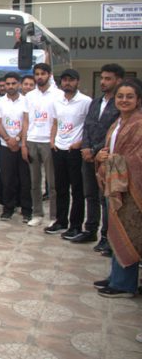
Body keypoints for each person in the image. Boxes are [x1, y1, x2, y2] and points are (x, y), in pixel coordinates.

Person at [94, 80, 142, 300]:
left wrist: (112, 159)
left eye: (129, 96)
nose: (124, 100)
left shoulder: (138, 124)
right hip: (114, 184)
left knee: (128, 235)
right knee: (115, 232)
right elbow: (112, 148)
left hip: (131, 190)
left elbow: (137, 158)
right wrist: (102, 155)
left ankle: (124, 283)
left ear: (138, 100)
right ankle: (116, 276)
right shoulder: (118, 122)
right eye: (120, 96)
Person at [77, 64, 124, 247]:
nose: (103, 82)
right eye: (102, 78)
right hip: (88, 155)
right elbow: (87, 126)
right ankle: (90, 230)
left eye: (108, 78)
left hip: (106, 157)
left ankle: (106, 236)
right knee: (90, 195)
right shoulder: (95, 102)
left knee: (106, 198)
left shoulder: (119, 104)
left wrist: (95, 150)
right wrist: (86, 148)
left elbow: (112, 132)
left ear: (118, 80)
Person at [47, 69, 92, 239]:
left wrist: (80, 144)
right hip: (58, 148)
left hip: (75, 150)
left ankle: (75, 225)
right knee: (60, 188)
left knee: (77, 190)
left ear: (77, 82)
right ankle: (61, 221)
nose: (67, 83)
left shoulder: (85, 102)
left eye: (71, 80)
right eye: (64, 80)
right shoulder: (57, 101)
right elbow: (55, 123)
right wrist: (52, 142)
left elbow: (89, 126)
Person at [21, 63, 62, 227]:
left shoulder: (58, 95)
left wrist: (54, 140)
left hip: (49, 143)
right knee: (34, 182)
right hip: (32, 140)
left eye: (43, 74)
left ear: (49, 75)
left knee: (53, 184)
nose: (39, 77)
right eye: (37, 74)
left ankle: (54, 216)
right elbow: (25, 121)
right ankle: (37, 214)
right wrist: (24, 144)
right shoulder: (29, 96)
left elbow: (59, 121)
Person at [0, 72, 31, 222]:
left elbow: (28, 122)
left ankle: (27, 210)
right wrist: (8, 139)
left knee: (25, 179)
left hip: (23, 146)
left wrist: (17, 139)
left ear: (19, 84)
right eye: (8, 84)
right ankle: (8, 208)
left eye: (13, 83)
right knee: (7, 179)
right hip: (5, 145)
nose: (10, 86)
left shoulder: (27, 101)